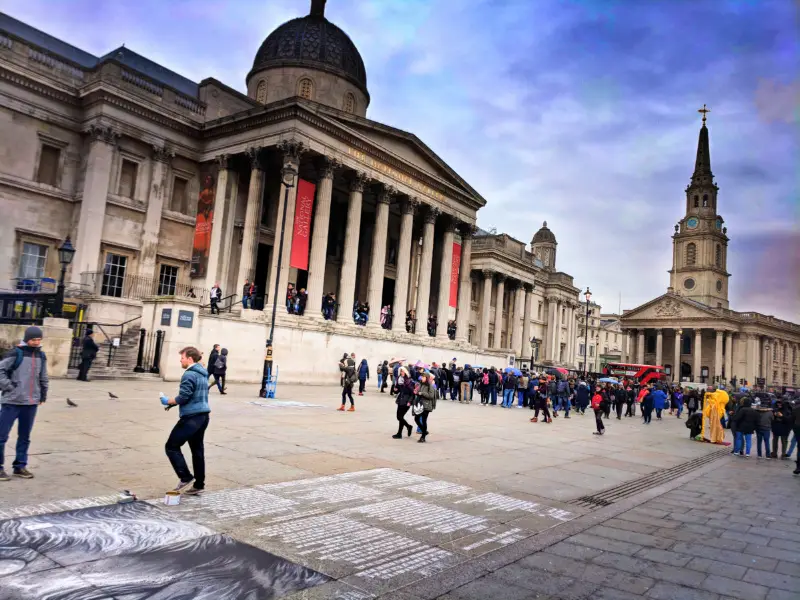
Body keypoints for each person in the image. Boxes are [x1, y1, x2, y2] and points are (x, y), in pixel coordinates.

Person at [0, 326, 48, 481]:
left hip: (31, 402)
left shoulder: (41, 355)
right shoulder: (16, 353)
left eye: (39, 339)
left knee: (25, 436)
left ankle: (20, 466)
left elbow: (43, 376)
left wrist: (43, 393)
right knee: (1, 436)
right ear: (27, 339)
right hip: (12, 401)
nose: (36, 342)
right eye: (34, 339)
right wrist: (9, 387)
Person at [163, 346, 210, 496]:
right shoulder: (203, 373)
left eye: (182, 358)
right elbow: (195, 394)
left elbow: (184, 397)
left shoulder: (189, 374)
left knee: (171, 446)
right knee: (197, 450)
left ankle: (185, 477)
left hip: (191, 417)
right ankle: (199, 484)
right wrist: (173, 404)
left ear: (190, 359)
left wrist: (168, 400)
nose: (180, 360)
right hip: (203, 416)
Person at [392, 367, 414, 439]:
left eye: (403, 371)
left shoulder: (410, 381)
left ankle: (406, 428)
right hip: (400, 399)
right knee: (399, 417)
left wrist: (409, 402)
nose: (402, 373)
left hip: (406, 400)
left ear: (406, 372)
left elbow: (412, 393)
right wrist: (395, 390)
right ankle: (401, 432)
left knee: (400, 417)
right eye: (401, 371)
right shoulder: (399, 379)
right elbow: (397, 390)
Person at [414, 371, 436, 443]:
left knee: (423, 420)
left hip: (426, 405)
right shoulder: (421, 384)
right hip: (420, 404)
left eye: (423, 377)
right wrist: (416, 391)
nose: (422, 378)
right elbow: (418, 392)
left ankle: (423, 437)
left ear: (427, 378)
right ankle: (424, 431)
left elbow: (431, 396)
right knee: (416, 418)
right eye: (422, 377)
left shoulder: (430, 386)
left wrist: (422, 393)